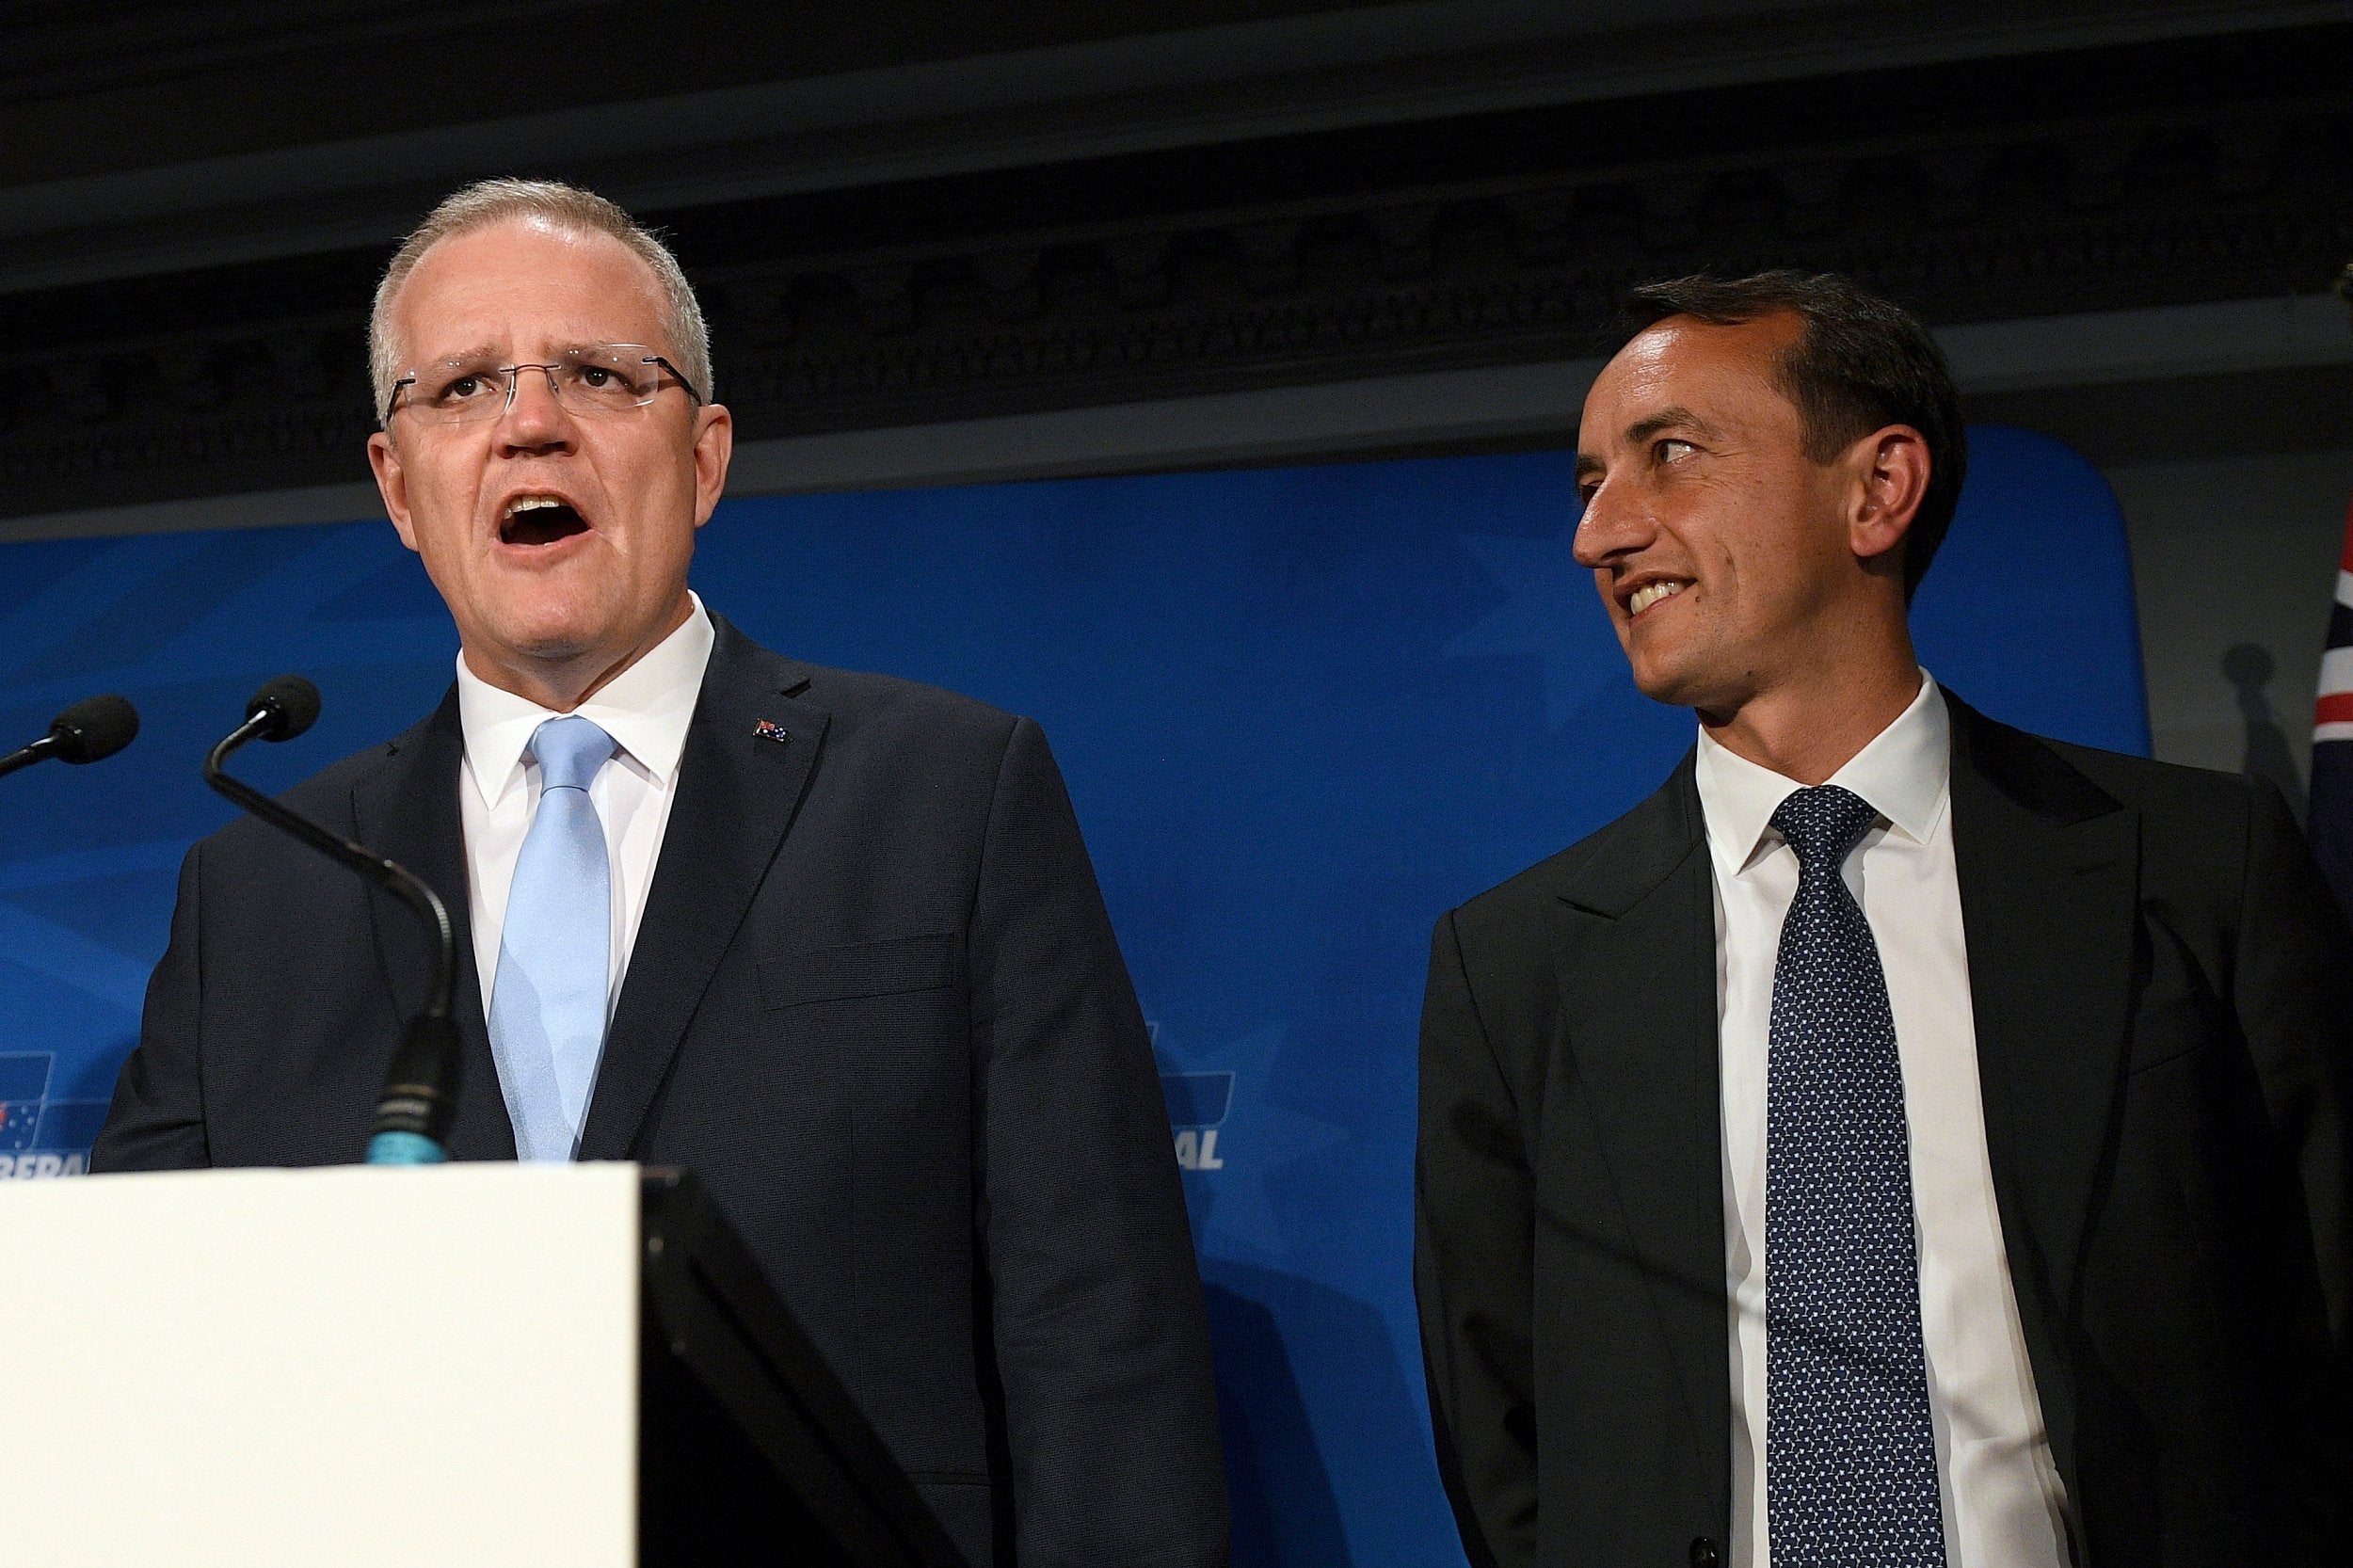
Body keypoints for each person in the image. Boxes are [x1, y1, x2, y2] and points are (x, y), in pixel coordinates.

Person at [93, 178, 1228, 1568]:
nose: (529, 421)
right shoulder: (260, 885)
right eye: (460, 388)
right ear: (397, 484)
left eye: (597, 373)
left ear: (703, 455)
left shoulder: (944, 794)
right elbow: (137, 1381)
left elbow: (1100, 1337)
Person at [1414, 271, 2352, 1568]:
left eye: (1667, 455)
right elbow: (1502, 1442)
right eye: (1588, 486)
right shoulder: (1515, 966)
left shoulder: (2199, 869)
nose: (1600, 535)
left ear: (1877, 490)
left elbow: (2324, 1345)